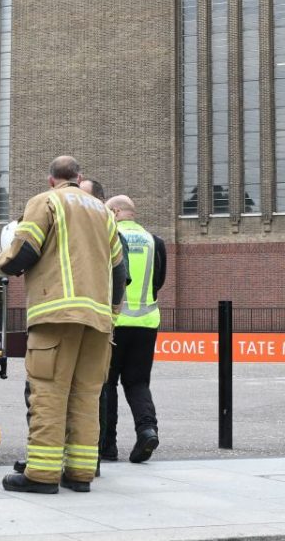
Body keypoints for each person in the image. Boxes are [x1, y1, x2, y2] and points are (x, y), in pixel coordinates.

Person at [0, 156, 125, 494]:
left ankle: (42, 475)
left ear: (52, 180)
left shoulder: (45, 202)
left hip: (56, 315)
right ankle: (80, 474)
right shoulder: (103, 212)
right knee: (86, 396)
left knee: (48, 394)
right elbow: (120, 270)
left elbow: (23, 253)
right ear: (79, 177)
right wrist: (112, 312)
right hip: (98, 320)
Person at [100, 195, 167, 464]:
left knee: (107, 383)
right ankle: (147, 430)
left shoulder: (111, 237)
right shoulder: (155, 241)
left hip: (115, 323)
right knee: (138, 382)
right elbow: (158, 281)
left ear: (115, 212)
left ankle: (107, 445)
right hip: (147, 322)